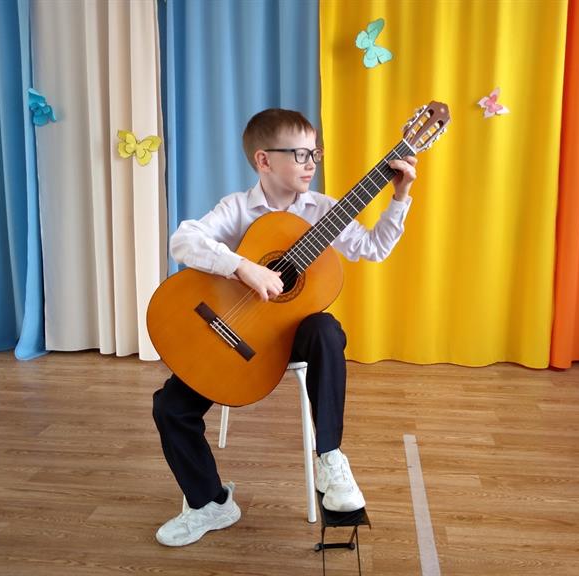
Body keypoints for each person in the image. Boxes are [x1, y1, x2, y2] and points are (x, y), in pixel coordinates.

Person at [152, 108, 418, 547]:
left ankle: (330, 458)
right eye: (299, 154)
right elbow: (183, 240)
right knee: (169, 408)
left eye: (315, 153)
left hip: (294, 338)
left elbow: (372, 248)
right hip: (238, 335)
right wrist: (243, 267)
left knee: (326, 328)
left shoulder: (324, 210)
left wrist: (400, 196)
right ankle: (210, 503)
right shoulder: (237, 208)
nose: (311, 163)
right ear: (264, 160)